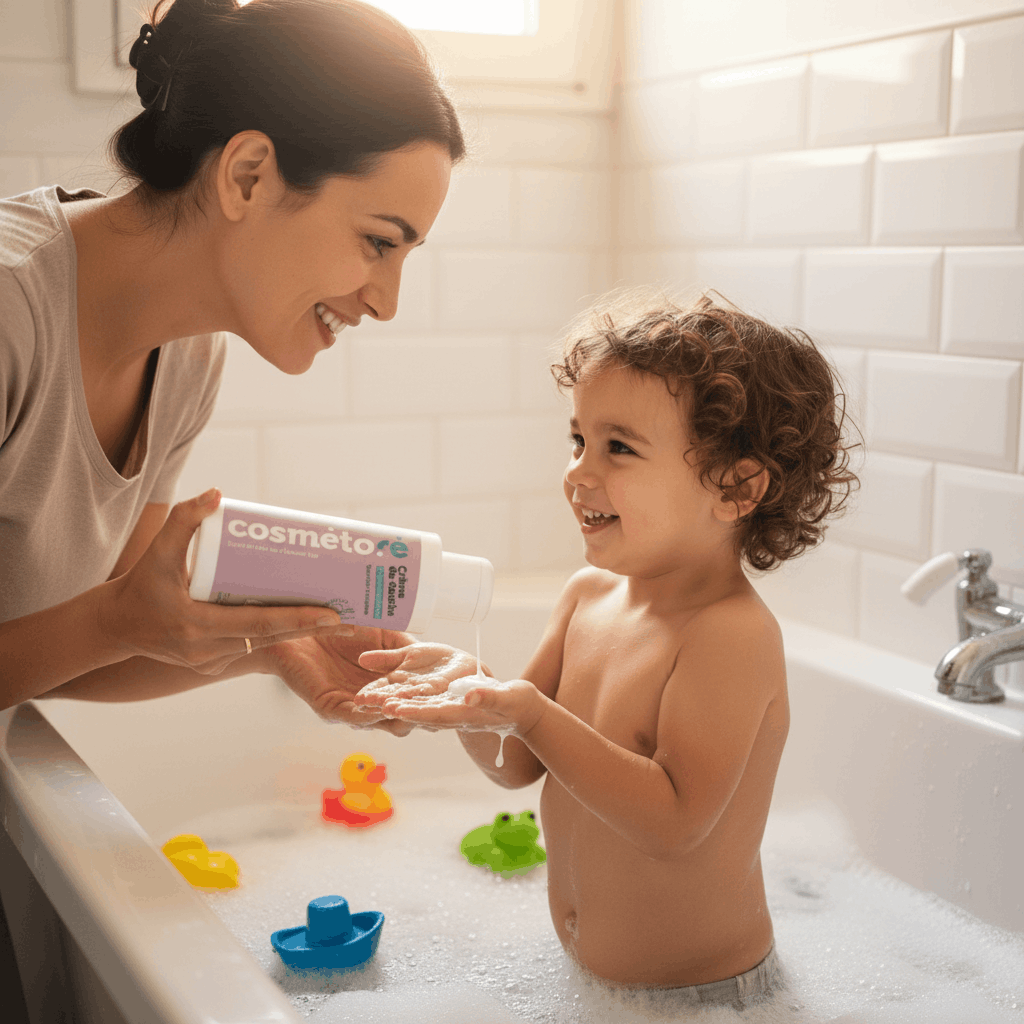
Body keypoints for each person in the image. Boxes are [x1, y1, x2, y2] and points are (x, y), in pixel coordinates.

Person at [356, 292, 859, 1007]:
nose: (579, 472)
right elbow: (516, 762)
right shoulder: (587, 597)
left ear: (736, 486)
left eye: (618, 447)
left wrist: (528, 711)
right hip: (596, 988)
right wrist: (471, 693)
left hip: (705, 999)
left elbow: (677, 823)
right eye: (577, 440)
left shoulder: (728, 633)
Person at [0, 0, 464, 719]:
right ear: (247, 174)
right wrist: (111, 622)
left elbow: (72, 654)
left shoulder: (187, 360)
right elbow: (102, 627)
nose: (386, 302)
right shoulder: (9, 311)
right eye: (379, 241)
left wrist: (272, 645)